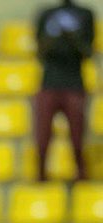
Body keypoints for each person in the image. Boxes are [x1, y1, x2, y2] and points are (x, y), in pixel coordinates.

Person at [34, 0, 95, 182]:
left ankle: (82, 178)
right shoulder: (45, 14)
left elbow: (87, 51)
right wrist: (56, 37)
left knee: (78, 138)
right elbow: (40, 51)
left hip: (74, 84)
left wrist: (71, 36)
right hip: (48, 83)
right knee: (42, 138)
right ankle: (41, 178)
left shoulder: (85, 14)